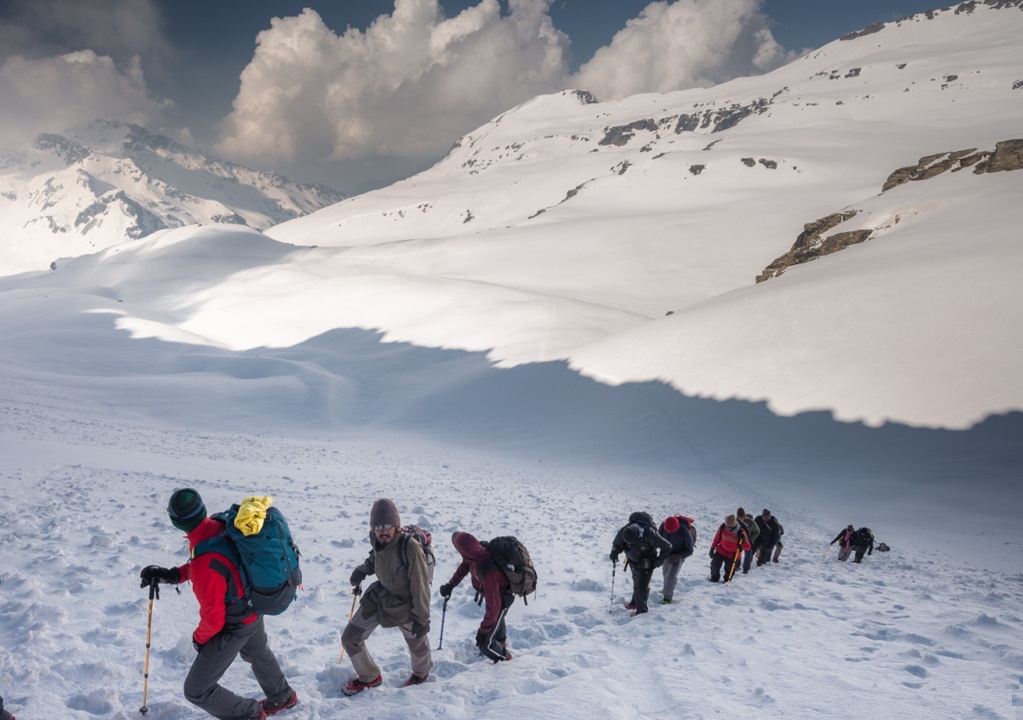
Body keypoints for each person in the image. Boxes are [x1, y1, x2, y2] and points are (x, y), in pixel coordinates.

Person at [139, 488, 298, 720]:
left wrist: (198, 640)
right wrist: (173, 575)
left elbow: (213, 618)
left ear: (175, 521)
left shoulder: (204, 559)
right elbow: (215, 564)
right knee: (257, 652)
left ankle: (251, 714)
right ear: (202, 509)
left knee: (197, 690)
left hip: (236, 624)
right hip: (254, 608)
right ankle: (282, 695)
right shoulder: (220, 523)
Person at [341, 499, 432, 695]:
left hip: (406, 601)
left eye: (388, 526)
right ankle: (370, 677)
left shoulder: (410, 548)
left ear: (396, 526)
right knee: (350, 638)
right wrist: (362, 570)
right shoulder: (377, 540)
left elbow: (421, 586)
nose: (383, 530)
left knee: (417, 641)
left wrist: (422, 618)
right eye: (378, 526)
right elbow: (376, 559)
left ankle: (421, 674)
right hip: (381, 595)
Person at [439, 532, 513, 662]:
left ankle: (505, 659)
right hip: (494, 596)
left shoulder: (489, 572)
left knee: (485, 643)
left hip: (502, 599)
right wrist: (451, 585)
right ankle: (501, 646)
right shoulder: (474, 554)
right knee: (497, 621)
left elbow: (494, 608)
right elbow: (464, 566)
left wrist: (483, 631)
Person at [609, 512, 672, 616]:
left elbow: (667, 547)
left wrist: (657, 562)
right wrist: (614, 552)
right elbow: (617, 544)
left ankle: (641, 612)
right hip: (632, 561)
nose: (630, 544)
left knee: (642, 587)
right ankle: (634, 603)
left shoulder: (649, 534)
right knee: (636, 582)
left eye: (633, 542)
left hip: (647, 563)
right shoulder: (625, 531)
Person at [657, 515, 695, 604]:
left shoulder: (684, 531)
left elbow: (690, 550)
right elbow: (658, 539)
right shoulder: (663, 526)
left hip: (679, 555)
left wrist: (677, 556)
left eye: (672, 530)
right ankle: (665, 589)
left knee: (671, 576)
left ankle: (667, 598)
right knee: (665, 573)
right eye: (668, 530)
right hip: (666, 554)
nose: (669, 531)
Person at [709, 514, 751, 583]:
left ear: (734, 526)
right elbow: (717, 538)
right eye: (727, 527)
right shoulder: (723, 527)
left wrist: (743, 541)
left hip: (733, 554)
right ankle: (714, 578)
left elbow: (748, 547)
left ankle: (726, 581)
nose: (727, 529)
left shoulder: (741, 532)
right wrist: (712, 548)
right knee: (714, 565)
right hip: (721, 550)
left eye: (729, 528)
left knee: (730, 569)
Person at [735, 507, 760, 574]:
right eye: (739, 517)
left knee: (748, 553)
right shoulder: (735, 521)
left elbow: (757, 531)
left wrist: (751, 539)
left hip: (748, 540)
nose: (740, 519)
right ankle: (737, 565)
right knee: (737, 552)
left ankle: (745, 569)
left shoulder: (751, 522)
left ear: (744, 516)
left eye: (741, 517)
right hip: (738, 539)